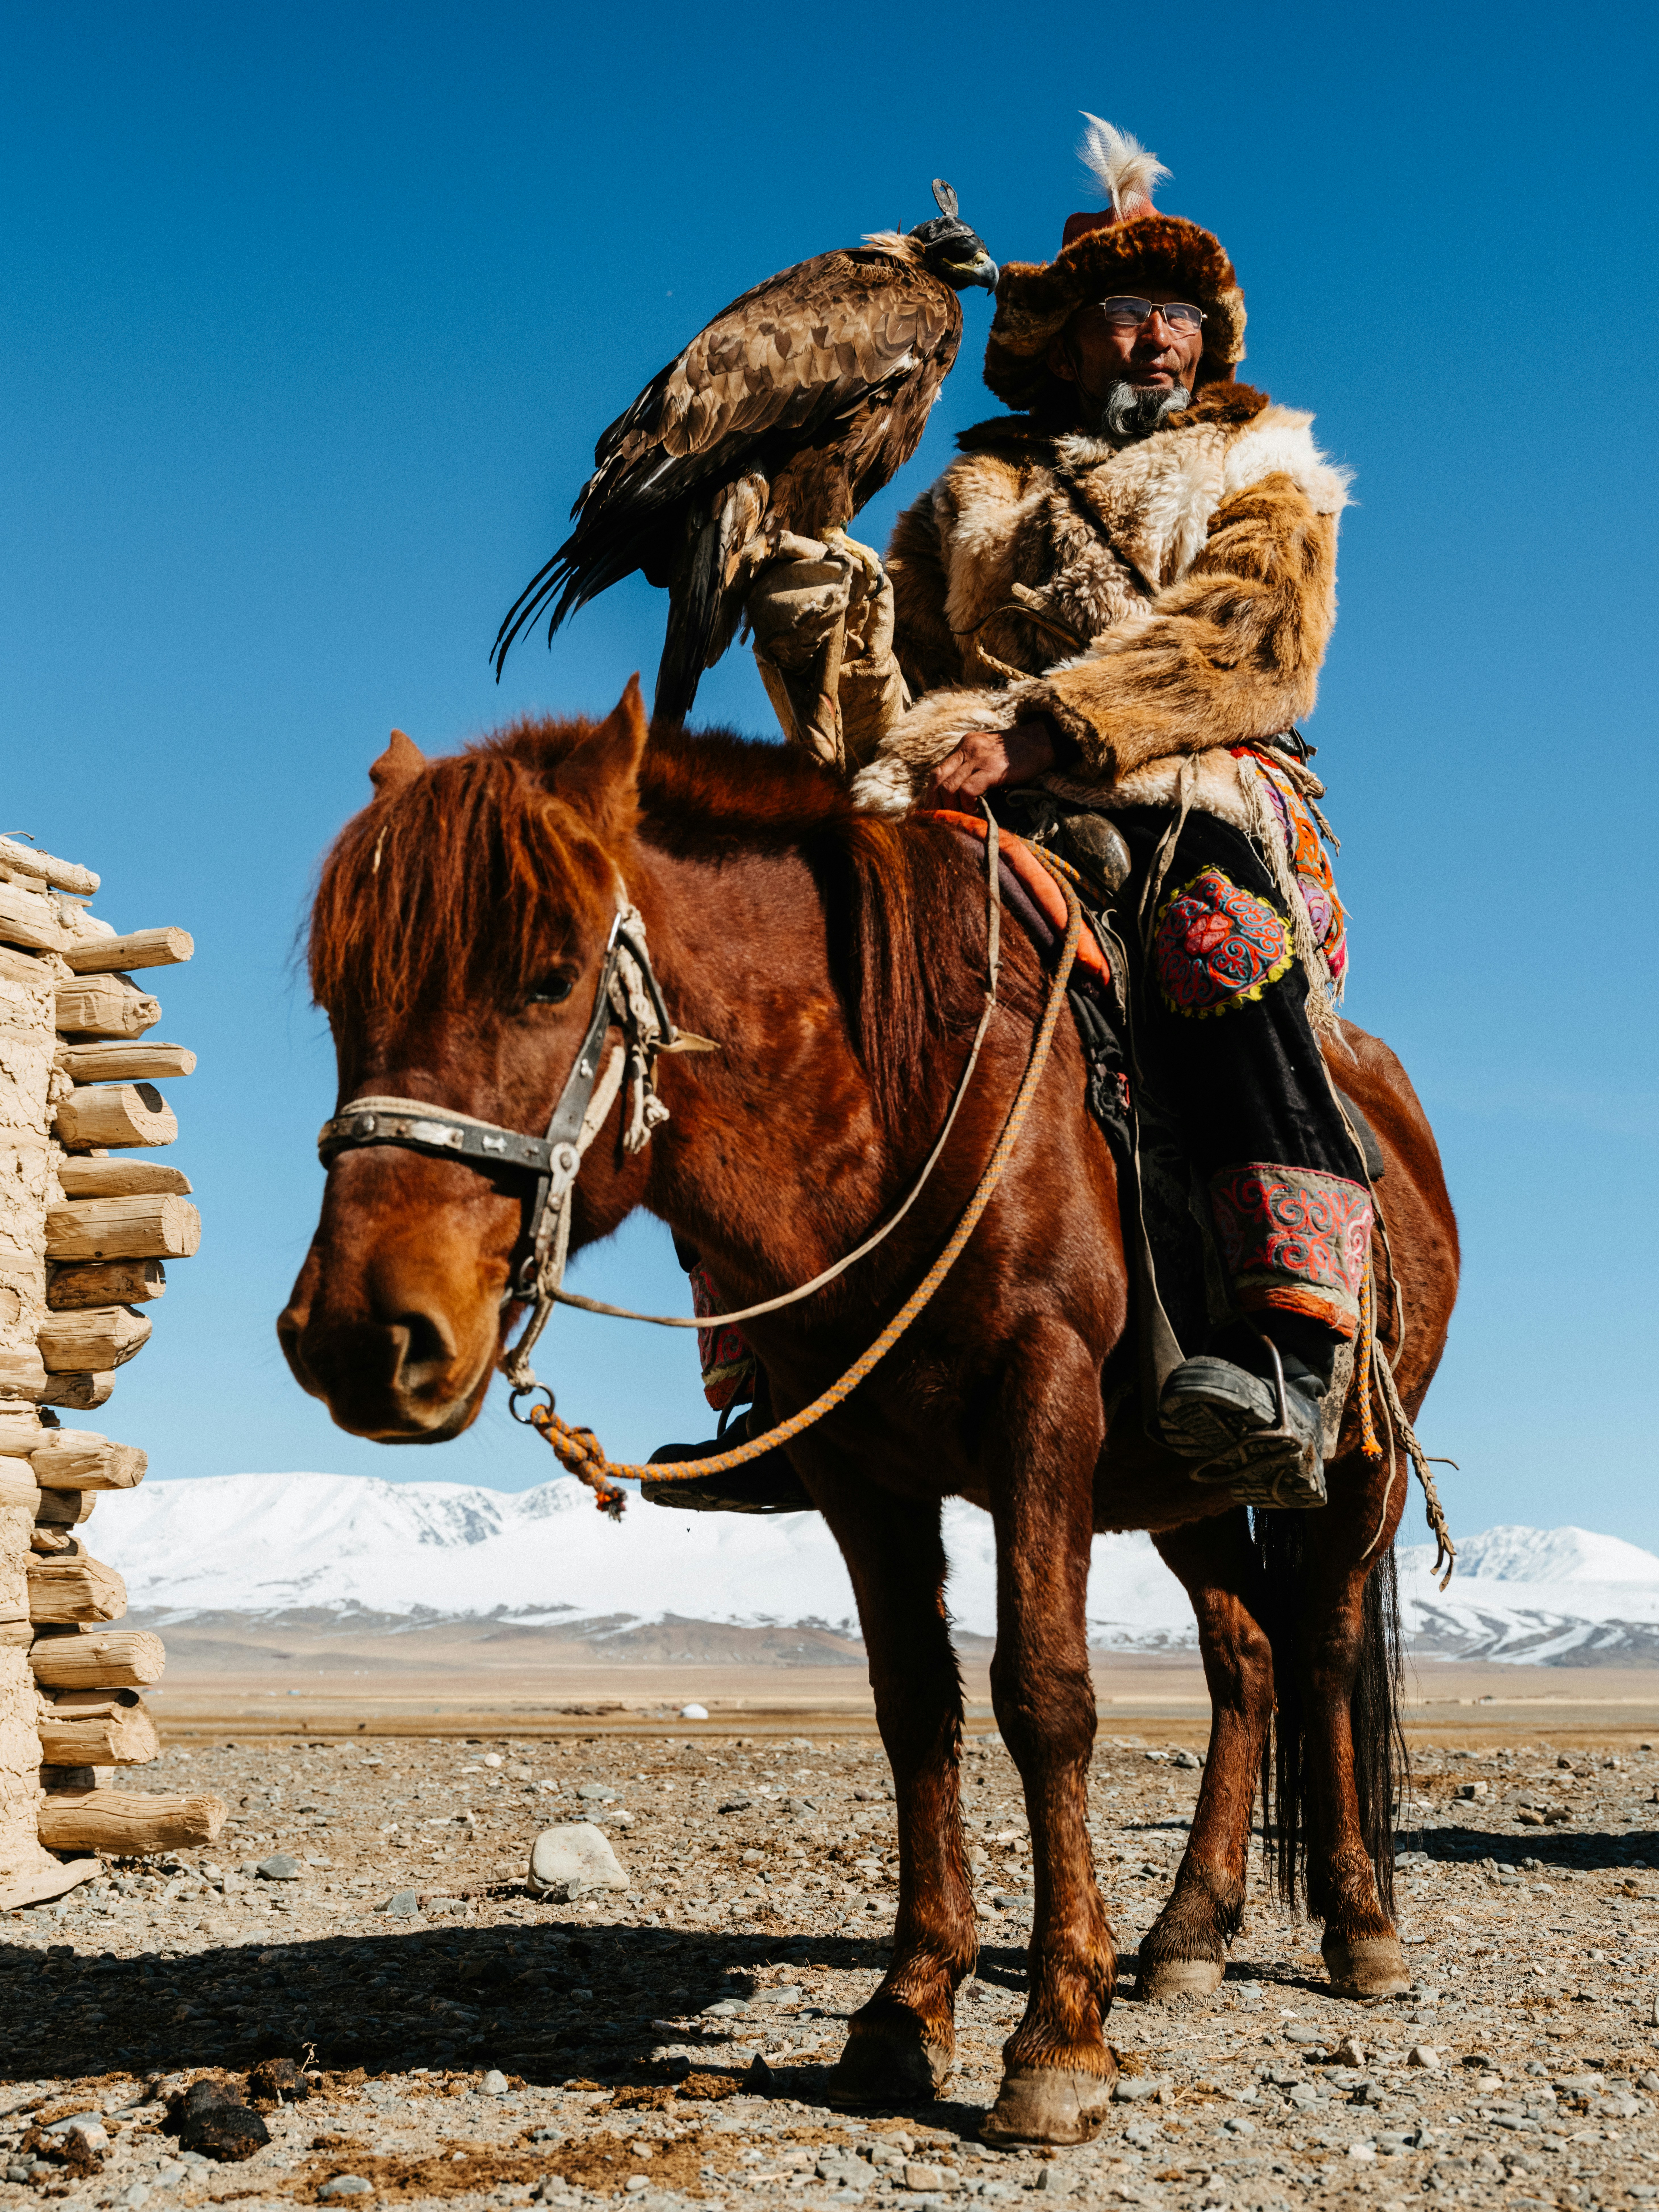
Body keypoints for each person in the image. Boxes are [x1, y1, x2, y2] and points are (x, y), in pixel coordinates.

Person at [647, 119, 1370, 1515]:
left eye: (1176, 318)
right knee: (775, 987)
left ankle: (1294, 1342)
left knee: (1221, 951)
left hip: (1179, 786)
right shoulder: (970, 494)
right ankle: (777, 1378)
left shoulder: (1266, 473)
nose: (1151, 340)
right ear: (1066, 340)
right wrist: (827, 643)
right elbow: (906, 670)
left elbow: (1250, 641)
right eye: (1121, 316)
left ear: (1206, 343)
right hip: (967, 787)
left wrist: (1050, 729)